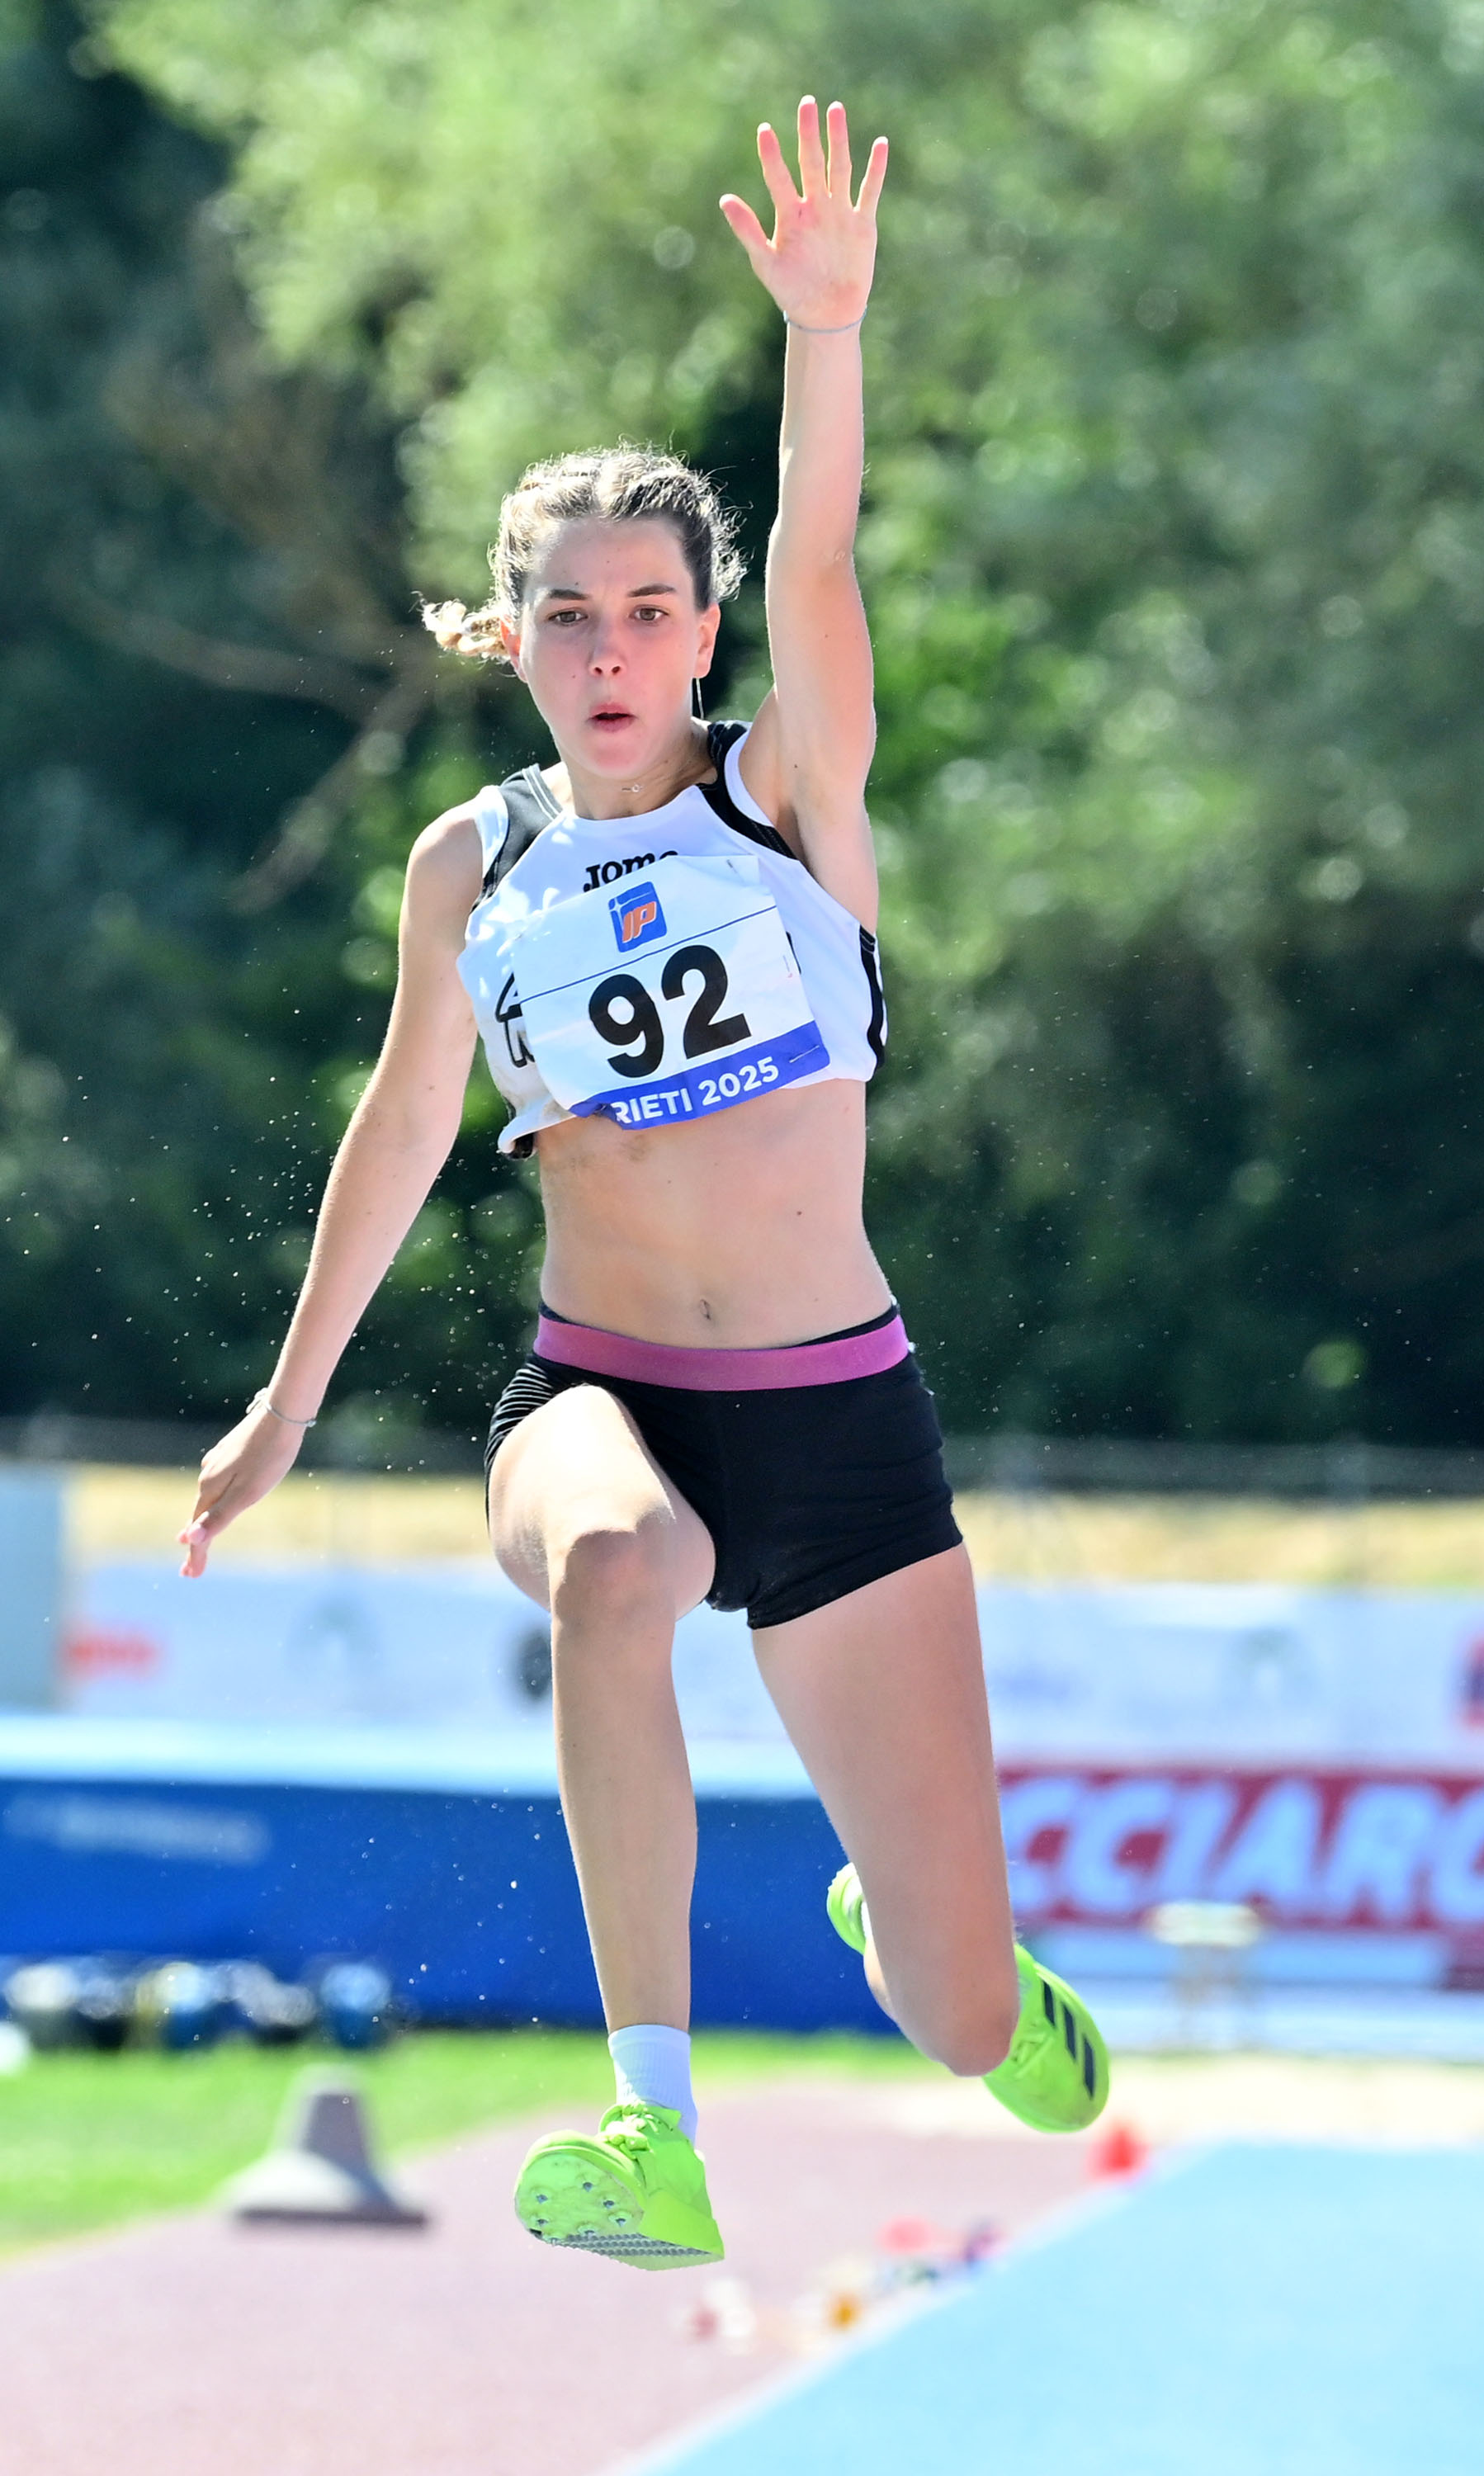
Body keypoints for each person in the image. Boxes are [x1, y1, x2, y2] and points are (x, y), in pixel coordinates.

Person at [180, 97, 1108, 2271]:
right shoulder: (472, 868)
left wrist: (825, 332)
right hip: (598, 1395)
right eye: (568, 616)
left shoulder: (790, 799)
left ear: (700, 640)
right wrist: (286, 1407)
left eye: (649, 614)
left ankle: (929, 1926)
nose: (608, 652)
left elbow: (824, 558)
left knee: (971, 2024)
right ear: (512, 638)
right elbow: (401, 1125)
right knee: (620, 1567)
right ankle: (649, 2125)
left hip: (840, 1429)